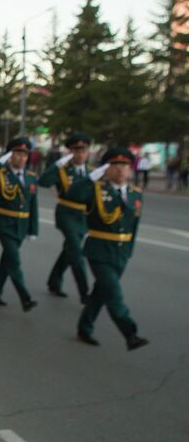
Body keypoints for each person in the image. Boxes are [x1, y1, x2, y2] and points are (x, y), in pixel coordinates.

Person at [67, 148, 149, 351]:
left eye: (125, 166)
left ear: (130, 170)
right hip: (99, 251)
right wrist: (91, 177)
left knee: (101, 293)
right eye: (115, 166)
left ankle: (84, 328)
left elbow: (134, 228)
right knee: (114, 294)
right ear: (107, 169)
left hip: (120, 253)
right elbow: (72, 194)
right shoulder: (95, 190)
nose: (121, 170)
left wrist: (129, 252)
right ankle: (130, 333)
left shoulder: (135, 195)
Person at [0, 137, 39, 312]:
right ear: (10, 156)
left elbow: (33, 206)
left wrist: (33, 229)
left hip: (21, 225)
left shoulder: (30, 177)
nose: (21, 158)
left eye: (24, 155)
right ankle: (25, 297)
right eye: (17, 154)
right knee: (13, 260)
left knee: (7, 260)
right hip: (5, 223)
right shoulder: (1, 174)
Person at [38, 133, 92, 303]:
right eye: (76, 150)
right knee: (76, 252)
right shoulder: (62, 170)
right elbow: (43, 182)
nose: (80, 154)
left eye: (83, 150)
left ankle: (54, 281)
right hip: (66, 213)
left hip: (84, 217)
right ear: (70, 152)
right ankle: (85, 292)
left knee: (69, 250)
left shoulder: (92, 173)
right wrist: (57, 165)